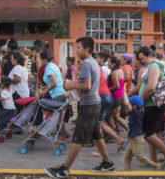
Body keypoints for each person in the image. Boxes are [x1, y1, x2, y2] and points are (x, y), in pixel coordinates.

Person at [45, 37, 115, 179]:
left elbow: (87, 86)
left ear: (87, 49)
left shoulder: (86, 64)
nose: (76, 51)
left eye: (78, 47)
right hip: (94, 103)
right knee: (96, 135)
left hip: (89, 104)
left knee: (78, 137)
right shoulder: (93, 63)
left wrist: (71, 86)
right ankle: (108, 163)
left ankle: (65, 169)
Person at [137, 46, 165, 164]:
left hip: (153, 104)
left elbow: (151, 87)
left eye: (143, 58)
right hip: (153, 104)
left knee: (148, 134)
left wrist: (140, 100)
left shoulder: (154, 66)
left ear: (150, 55)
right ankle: (153, 161)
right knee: (152, 133)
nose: (141, 61)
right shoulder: (155, 66)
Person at [123, 95, 161, 171]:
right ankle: (126, 174)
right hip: (133, 139)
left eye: (130, 104)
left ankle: (156, 165)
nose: (128, 106)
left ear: (134, 106)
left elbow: (126, 104)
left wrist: (123, 91)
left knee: (139, 156)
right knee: (126, 157)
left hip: (137, 139)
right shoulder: (138, 111)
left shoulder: (135, 113)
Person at [107, 56, 129, 131]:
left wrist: (107, 90)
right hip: (120, 96)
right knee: (116, 117)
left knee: (109, 117)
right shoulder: (120, 70)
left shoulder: (114, 72)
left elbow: (117, 86)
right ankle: (129, 130)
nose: (107, 64)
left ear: (113, 64)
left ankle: (111, 135)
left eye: (109, 62)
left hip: (115, 97)